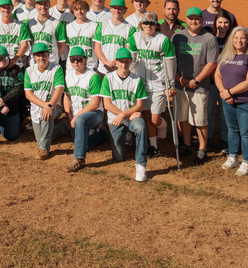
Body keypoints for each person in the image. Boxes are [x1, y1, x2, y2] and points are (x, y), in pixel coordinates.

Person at [214, 27, 248, 176]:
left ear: (247, 40)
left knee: (246, 133)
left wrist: (229, 92)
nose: (239, 41)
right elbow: (217, 75)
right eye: (236, 38)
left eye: (242, 38)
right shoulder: (226, 55)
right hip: (228, 101)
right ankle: (233, 157)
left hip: (246, 101)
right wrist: (223, 92)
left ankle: (247, 162)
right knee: (232, 130)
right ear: (232, 40)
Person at [173, 7, 219, 164]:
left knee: (200, 119)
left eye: (197, 19)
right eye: (191, 18)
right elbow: (173, 61)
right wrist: (179, 79)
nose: (194, 21)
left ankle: (202, 149)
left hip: (199, 86)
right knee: (183, 117)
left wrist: (196, 80)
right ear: (186, 19)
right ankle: (187, 144)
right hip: (181, 85)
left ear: (202, 21)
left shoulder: (209, 38)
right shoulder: (178, 36)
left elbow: (211, 63)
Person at [128, 12, 177, 156]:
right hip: (142, 83)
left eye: (151, 23)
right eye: (145, 23)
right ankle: (154, 147)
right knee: (148, 116)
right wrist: (132, 80)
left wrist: (171, 85)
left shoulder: (163, 40)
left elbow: (170, 63)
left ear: (156, 25)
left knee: (155, 120)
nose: (148, 26)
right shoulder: (135, 38)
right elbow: (132, 61)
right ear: (141, 24)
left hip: (159, 84)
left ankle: (163, 126)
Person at [99, 48, 150, 182]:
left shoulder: (137, 79)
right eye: (121, 61)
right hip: (116, 119)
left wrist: (125, 116)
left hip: (132, 117)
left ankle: (141, 164)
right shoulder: (108, 78)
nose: (124, 65)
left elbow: (140, 105)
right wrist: (123, 116)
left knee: (141, 127)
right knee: (119, 157)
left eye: (126, 61)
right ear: (116, 62)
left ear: (131, 61)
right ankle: (124, 134)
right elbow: (107, 105)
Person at [61, 46, 104, 173]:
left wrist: (76, 117)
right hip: (76, 115)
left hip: (95, 113)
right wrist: (69, 116)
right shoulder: (68, 75)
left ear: (85, 60)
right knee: (82, 143)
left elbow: (95, 103)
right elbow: (67, 97)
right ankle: (103, 134)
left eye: (79, 59)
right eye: (73, 59)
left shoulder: (92, 76)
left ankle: (79, 160)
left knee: (80, 122)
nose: (76, 62)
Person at [24, 42, 66, 159]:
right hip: (36, 107)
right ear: (34, 57)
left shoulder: (56, 68)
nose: (41, 58)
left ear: (48, 54)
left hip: (54, 105)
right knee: (42, 137)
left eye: (44, 55)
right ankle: (63, 126)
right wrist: (44, 105)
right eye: (38, 55)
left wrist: (50, 105)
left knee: (46, 116)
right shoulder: (29, 71)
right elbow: (28, 94)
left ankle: (44, 149)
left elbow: (60, 89)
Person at [206, 11, 234, 152]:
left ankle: (225, 142)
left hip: (227, 84)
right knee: (209, 112)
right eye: (220, 22)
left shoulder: (233, 40)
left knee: (225, 114)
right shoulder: (210, 39)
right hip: (211, 83)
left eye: (226, 22)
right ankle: (207, 140)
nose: (223, 25)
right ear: (215, 23)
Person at [94, 0, 134, 74]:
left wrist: (113, 62)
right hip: (102, 69)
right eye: (114, 8)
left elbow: (128, 50)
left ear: (125, 10)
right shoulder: (102, 25)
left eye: (120, 8)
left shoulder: (130, 28)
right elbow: (97, 48)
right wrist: (106, 63)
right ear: (110, 9)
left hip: (119, 70)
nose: (117, 10)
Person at [28, 0, 67, 67]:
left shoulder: (57, 24)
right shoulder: (30, 23)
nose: (43, 7)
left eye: (45, 4)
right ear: (36, 6)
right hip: (34, 63)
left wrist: (54, 56)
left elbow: (62, 45)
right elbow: (30, 42)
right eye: (40, 4)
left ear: (49, 5)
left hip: (52, 63)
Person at [65, 0, 99, 73]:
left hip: (90, 66)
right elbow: (69, 46)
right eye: (76, 9)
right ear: (72, 11)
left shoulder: (95, 26)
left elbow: (98, 47)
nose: (79, 12)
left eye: (82, 9)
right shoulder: (68, 27)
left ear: (86, 10)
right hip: (72, 67)